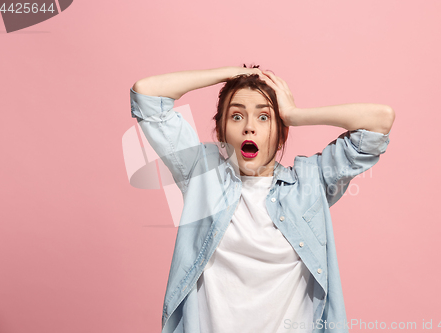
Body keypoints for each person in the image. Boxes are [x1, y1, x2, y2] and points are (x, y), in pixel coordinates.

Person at [129, 65, 395, 333]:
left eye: (264, 117)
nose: (249, 128)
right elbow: (147, 95)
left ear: (281, 135)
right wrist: (230, 73)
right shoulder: (201, 173)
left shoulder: (311, 182)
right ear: (220, 133)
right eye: (236, 116)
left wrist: (294, 114)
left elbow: (379, 121)